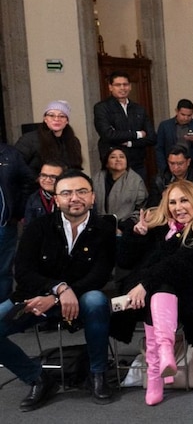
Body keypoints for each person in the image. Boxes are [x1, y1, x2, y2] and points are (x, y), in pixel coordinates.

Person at [0, 170, 116, 410]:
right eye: (67, 192)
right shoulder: (38, 227)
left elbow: (100, 275)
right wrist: (58, 290)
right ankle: (37, 378)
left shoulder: (104, 228)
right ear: (56, 199)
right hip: (33, 298)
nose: (75, 197)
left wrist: (56, 296)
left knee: (96, 301)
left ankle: (98, 374)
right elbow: (22, 271)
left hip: (82, 299)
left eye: (82, 191)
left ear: (92, 197)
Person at [115, 180, 193, 406]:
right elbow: (125, 261)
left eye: (184, 200)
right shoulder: (159, 228)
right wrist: (138, 235)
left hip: (191, 294)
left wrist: (144, 285)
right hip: (153, 296)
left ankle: (157, 367)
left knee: (161, 284)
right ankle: (164, 353)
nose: (178, 207)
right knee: (160, 288)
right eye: (173, 202)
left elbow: (181, 264)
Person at [93, 71, 157, 177]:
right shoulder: (102, 108)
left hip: (137, 164)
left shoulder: (139, 109)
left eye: (125, 84)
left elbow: (152, 138)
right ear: (110, 87)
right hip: (113, 165)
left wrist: (130, 143)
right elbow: (108, 135)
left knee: (139, 193)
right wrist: (138, 134)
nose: (122, 88)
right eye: (118, 85)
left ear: (130, 86)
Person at [0, 141, 33, 299]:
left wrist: (18, 209)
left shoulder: (10, 154)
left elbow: (28, 180)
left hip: (4, 224)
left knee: (3, 271)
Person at [14, 100, 84, 172]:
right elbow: (16, 165)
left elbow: (76, 167)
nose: (56, 119)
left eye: (62, 116)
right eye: (51, 115)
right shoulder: (29, 139)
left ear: (67, 121)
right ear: (45, 119)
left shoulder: (73, 141)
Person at [92, 147, 148, 232]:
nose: (118, 159)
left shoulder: (136, 181)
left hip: (126, 227)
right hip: (98, 226)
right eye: (113, 157)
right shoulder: (96, 179)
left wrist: (124, 226)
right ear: (106, 163)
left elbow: (141, 208)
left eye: (122, 157)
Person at [155, 99, 193, 174]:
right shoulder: (165, 126)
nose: (186, 118)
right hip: (172, 166)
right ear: (177, 111)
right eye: (183, 115)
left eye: (189, 115)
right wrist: (163, 168)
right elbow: (159, 148)